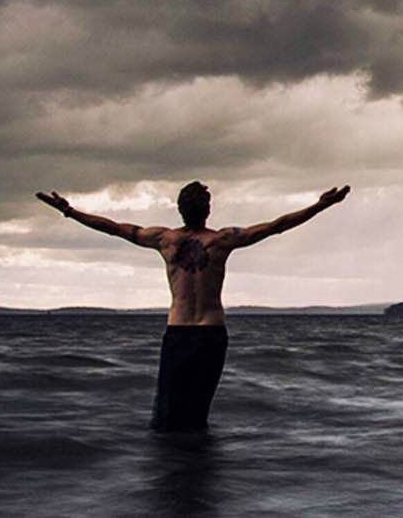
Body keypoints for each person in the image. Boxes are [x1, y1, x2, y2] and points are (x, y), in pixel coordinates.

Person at [36, 181, 350, 431]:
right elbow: (276, 225)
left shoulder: (164, 240)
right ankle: (197, 468)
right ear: (207, 210)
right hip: (212, 333)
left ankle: (175, 472)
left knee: (167, 413)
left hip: (179, 332)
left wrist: (70, 211)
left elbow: (114, 228)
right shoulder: (223, 240)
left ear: (180, 209)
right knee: (198, 411)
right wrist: (320, 206)